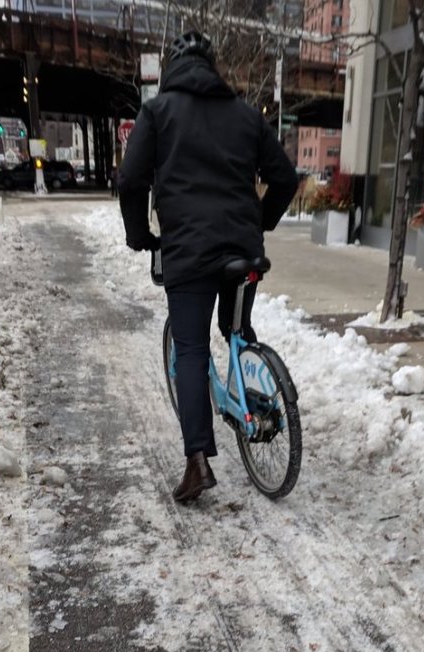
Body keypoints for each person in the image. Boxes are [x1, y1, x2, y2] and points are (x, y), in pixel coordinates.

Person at [118, 31, 298, 504]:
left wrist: (141, 238)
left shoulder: (157, 112)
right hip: (242, 249)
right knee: (235, 329)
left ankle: (197, 461)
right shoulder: (245, 114)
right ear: (211, 65)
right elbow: (284, 177)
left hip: (190, 254)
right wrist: (260, 222)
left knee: (192, 350)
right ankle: (250, 373)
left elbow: (131, 180)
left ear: (172, 69)